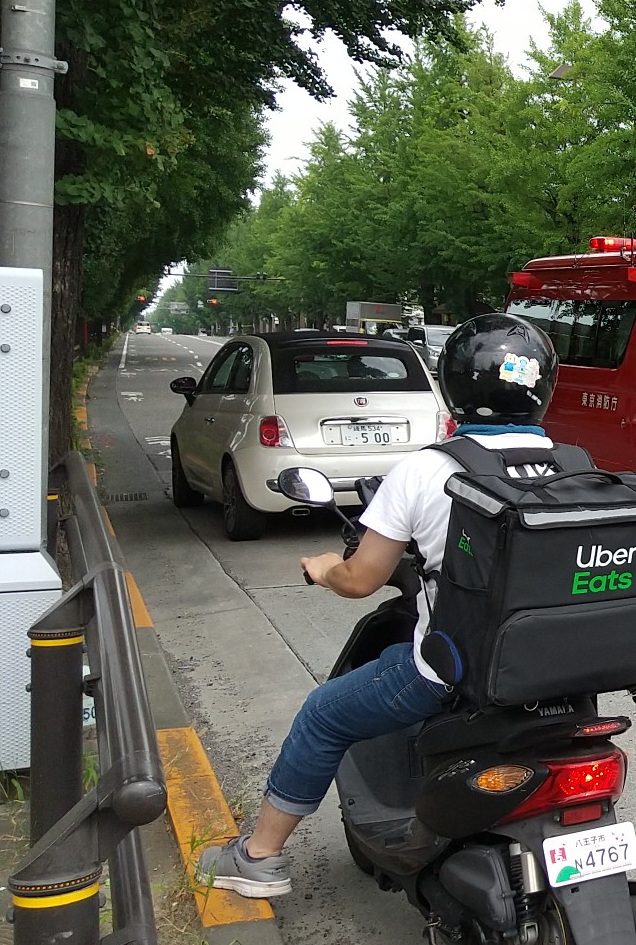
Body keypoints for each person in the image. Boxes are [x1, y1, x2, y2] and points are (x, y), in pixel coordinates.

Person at [197, 315, 562, 898]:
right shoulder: (575, 464)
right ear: (544, 385)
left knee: (323, 714)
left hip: (454, 672)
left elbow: (362, 579)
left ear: (456, 385)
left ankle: (258, 858)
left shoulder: (427, 469)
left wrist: (323, 568)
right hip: (558, 667)